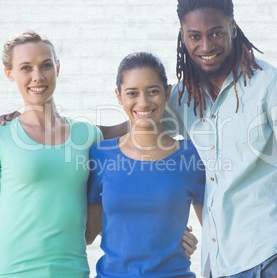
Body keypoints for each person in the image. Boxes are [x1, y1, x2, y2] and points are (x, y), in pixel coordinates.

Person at [0, 0, 277, 275]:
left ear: (233, 29)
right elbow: (128, 127)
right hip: (225, 264)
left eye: (217, 32)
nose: (206, 44)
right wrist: (30, 118)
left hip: (273, 256)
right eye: (194, 36)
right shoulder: (188, 98)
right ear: (183, 37)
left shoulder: (273, 86)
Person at [0, 30, 102, 277]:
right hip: (10, 271)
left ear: (58, 68)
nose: (37, 76)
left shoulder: (88, 135)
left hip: (72, 270)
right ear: (9, 73)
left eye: (46, 65)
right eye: (26, 68)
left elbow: (137, 127)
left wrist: (166, 233)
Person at [85, 52, 205, 277]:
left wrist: (188, 239)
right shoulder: (100, 155)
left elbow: (214, 230)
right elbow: (89, 233)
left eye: (153, 91)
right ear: (119, 96)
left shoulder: (191, 155)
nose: (143, 102)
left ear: (167, 92)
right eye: (132, 93)